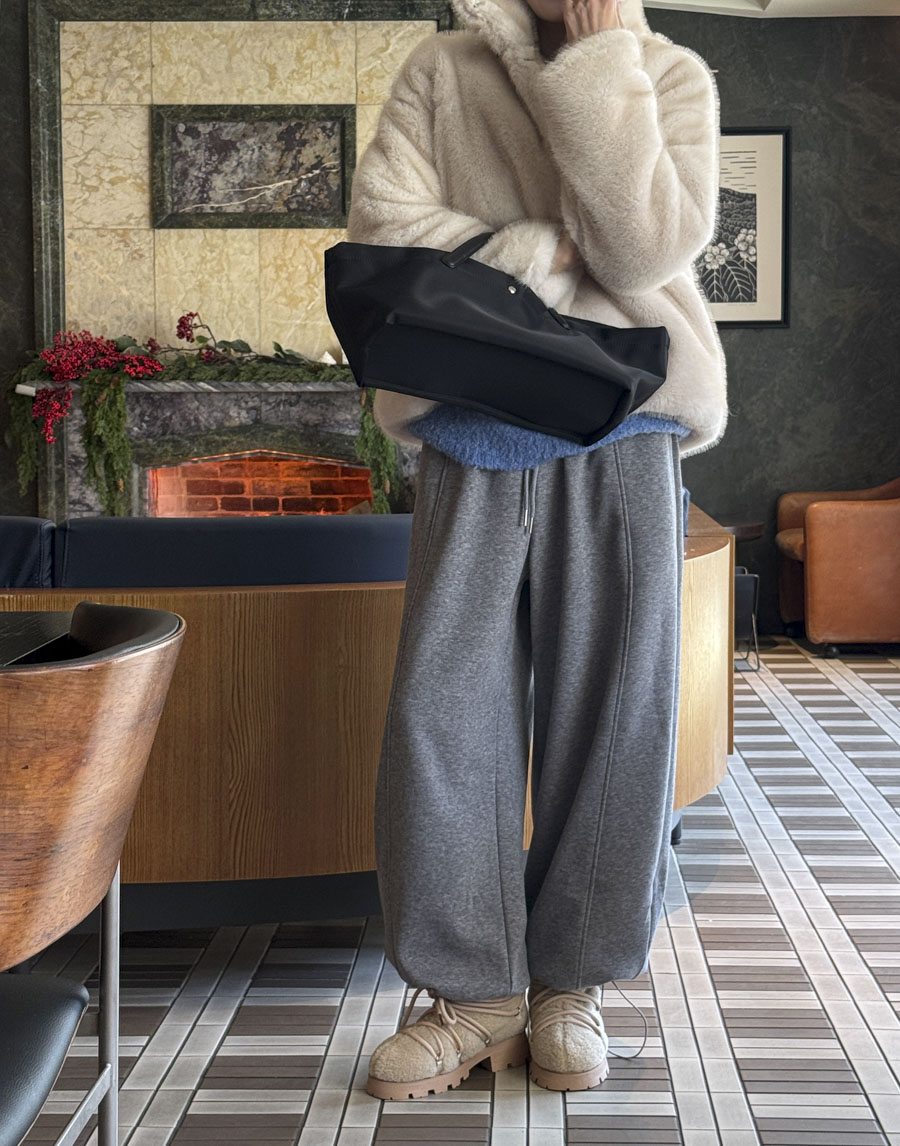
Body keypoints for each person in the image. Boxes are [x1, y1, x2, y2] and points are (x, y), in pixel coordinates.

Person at [345, 0, 727, 1101]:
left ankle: (573, 983)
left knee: (617, 709)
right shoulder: (441, 69)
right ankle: (474, 995)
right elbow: (384, 230)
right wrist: (538, 250)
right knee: (441, 715)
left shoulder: (669, 74)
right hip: (471, 417)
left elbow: (647, 246)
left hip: (630, 421)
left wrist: (601, 63)